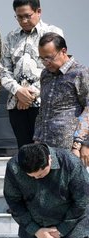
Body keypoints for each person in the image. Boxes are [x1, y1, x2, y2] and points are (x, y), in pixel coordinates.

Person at [0, 0, 63, 148]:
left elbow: (54, 67)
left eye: (27, 15)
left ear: (38, 12)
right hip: (16, 105)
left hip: (44, 102)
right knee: (25, 151)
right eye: (19, 17)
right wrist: (18, 91)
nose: (24, 20)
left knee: (46, 152)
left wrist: (28, 95)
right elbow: (3, 70)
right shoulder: (10, 37)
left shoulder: (53, 33)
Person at [34, 32, 89, 165]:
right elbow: (43, 109)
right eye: (42, 59)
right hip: (45, 148)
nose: (46, 63)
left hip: (70, 148)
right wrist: (37, 139)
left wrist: (83, 144)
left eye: (49, 58)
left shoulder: (79, 73)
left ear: (63, 51)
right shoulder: (45, 74)